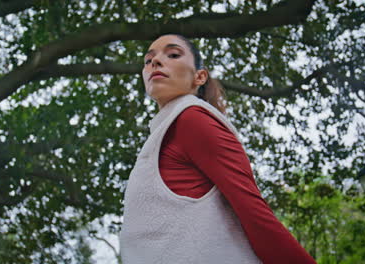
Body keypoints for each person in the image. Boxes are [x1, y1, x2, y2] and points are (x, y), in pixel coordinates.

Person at [119, 34, 316, 264]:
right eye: (148, 60)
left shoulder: (192, 119)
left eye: (173, 54)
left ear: (199, 76)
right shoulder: (158, 137)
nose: (155, 62)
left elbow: (253, 213)